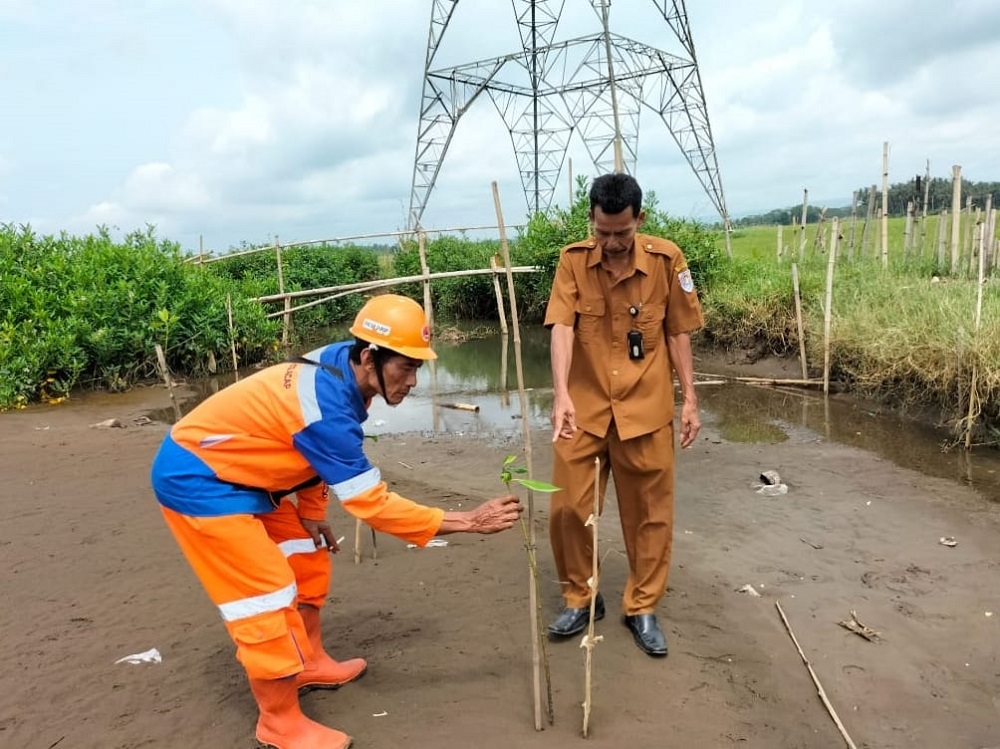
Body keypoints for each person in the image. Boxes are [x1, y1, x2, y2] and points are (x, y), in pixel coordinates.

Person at [150, 294, 521, 749]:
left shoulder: (337, 364)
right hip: (200, 480)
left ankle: (307, 661)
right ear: (370, 357)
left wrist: (310, 513)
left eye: (418, 368)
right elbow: (373, 505)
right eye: (405, 367)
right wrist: (466, 520)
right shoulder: (325, 404)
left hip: (251, 475)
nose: (412, 382)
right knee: (265, 595)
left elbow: (302, 449)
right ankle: (278, 722)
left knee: (307, 556)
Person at [543, 173, 703, 657]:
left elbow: (678, 332)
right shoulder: (572, 262)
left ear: (640, 220)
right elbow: (562, 328)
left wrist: (690, 399)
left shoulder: (666, 260)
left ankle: (642, 605)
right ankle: (582, 597)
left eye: (622, 233)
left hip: (646, 409)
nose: (611, 243)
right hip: (584, 410)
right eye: (602, 231)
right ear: (591, 219)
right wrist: (560, 395)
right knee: (567, 509)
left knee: (650, 516)